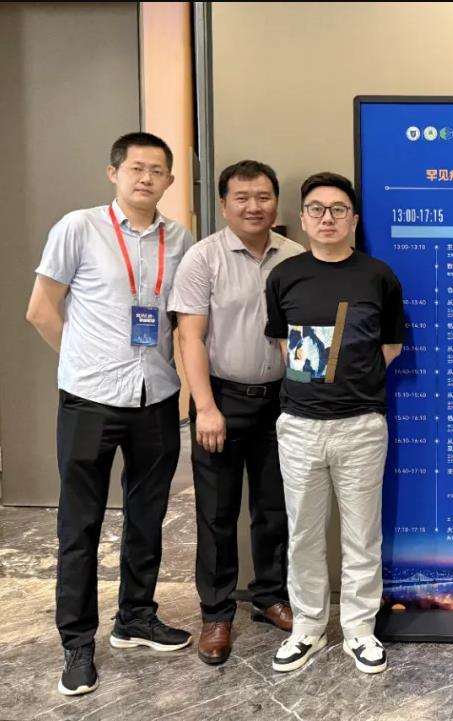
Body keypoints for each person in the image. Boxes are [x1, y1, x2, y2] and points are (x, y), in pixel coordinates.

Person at [26, 132, 194, 696]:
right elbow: (41, 310)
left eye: (157, 170)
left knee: (147, 517)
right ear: (114, 173)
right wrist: (81, 362)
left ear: (169, 180)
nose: (146, 178)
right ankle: (77, 643)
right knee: (80, 525)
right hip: (89, 400)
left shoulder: (180, 239)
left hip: (156, 397)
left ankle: (135, 618)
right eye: (136, 168)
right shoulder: (78, 228)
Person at [264, 172, 404, 674]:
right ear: (303, 219)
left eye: (338, 209)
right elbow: (283, 344)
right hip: (300, 426)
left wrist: (352, 382)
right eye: (317, 209)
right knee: (303, 533)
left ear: (354, 220)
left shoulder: (378, 276)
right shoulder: (284, 276)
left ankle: (360, 630)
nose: (328, 218)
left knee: (362, 534)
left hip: (361, 426)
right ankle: (307, 627)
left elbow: (391, 346)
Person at [168, 160, 305, 665]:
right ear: (224, 204)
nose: (254, 206)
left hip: (282, 402)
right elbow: (190, 337)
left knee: (275, 508)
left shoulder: (295, 256)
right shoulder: (203, 258)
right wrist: (204, 407)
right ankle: (216, 612)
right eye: (242, 198)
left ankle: (269, 596)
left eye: (263, 197)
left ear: (276, 203)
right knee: (217, 513)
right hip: (221, 400)